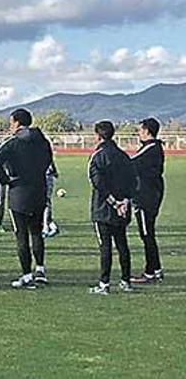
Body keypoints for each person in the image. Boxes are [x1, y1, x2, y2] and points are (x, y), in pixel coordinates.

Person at [0, 109, 53, 289]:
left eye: (11, 123)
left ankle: (26, 275)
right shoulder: (43, 141)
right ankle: (40, 270)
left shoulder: (14, 143)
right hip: (39, 190)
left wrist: (7, 180)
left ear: (17, 122)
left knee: (21, 235)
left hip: (19, 193)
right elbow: (48, 160)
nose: (10, 126)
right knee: (37, 231)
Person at [88, 121, 137, 295]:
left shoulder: (97, 156)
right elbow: (133, 181)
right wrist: (125, 201)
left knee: (105, 246)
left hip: (103, 209)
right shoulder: (124, 156)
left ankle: (104, 284)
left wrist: (114, 202)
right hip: (122, 209)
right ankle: (126, 281)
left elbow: (97, 183)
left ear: (98, 136)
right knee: (122, 244)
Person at [130, 117, 165, 284]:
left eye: (140, 129)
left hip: (146, 197)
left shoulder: (151, 148)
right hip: (151, 194)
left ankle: (151, 272)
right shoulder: (152, 148)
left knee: (146, 234)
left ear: (147, 131)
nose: (138, 132)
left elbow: (130, 163)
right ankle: (156, 269)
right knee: (148, 233)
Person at [42, 160, 61, 238]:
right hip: (46, 176)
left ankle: (46, 227)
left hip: (45, 177)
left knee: (45, 202)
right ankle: (52, 226)